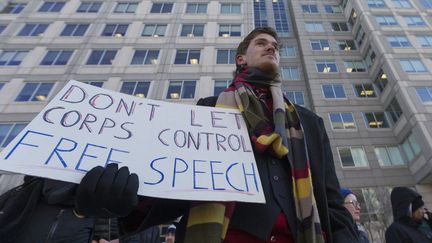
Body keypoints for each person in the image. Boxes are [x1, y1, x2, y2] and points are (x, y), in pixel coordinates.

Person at [74, 27, 359, 243]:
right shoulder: (208, 110)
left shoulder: (309, 122)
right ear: (241, 57)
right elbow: (179, 182)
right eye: (262, 43)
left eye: (275, 46)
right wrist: (124, 199)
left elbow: (332, 203)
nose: (271, 48)